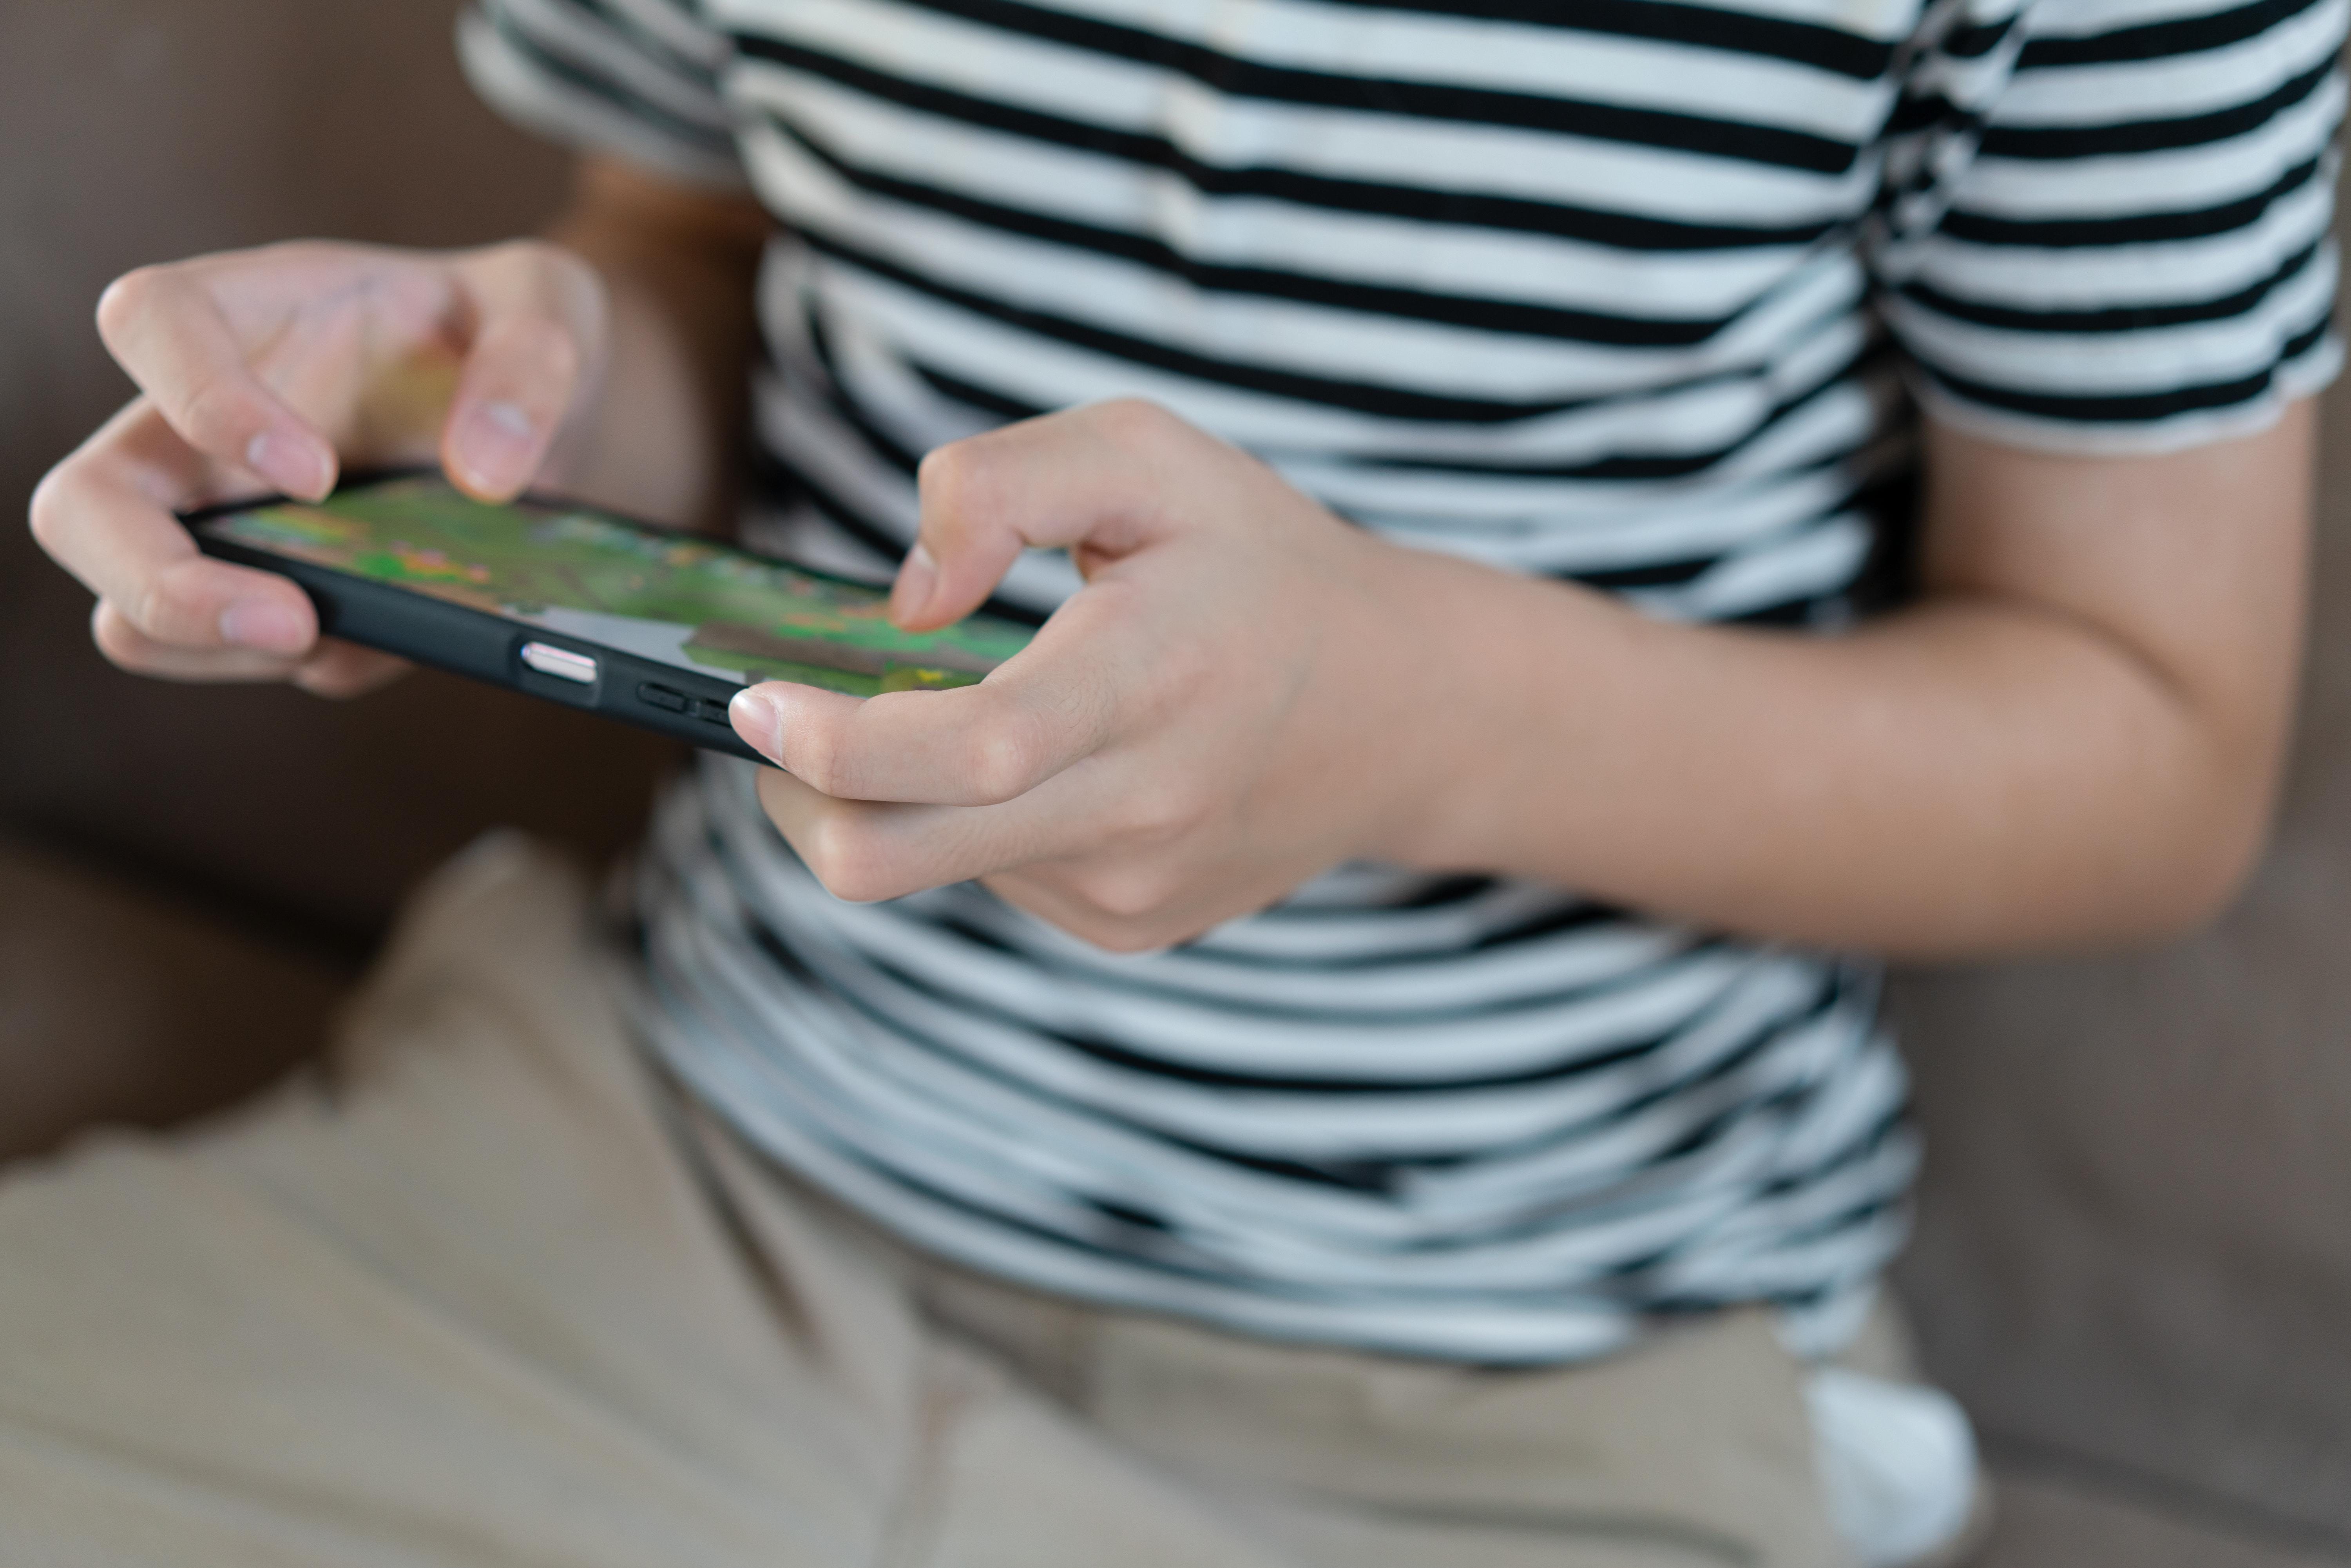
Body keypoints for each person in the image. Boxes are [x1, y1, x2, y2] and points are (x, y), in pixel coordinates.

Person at [10, 0, 2338, 1561]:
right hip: (661, 1159)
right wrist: (508, 406)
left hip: (1512, 1385)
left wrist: (1421, 713)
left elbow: (2152, 732)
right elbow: (711, 267)